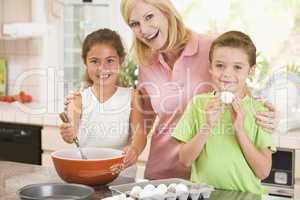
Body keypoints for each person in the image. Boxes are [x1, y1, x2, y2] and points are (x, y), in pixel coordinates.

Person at [63, 0, 278, 180]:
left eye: (149, 17)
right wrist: (86, 103)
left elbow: (239, 90)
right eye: (134, 24)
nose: (144, 30)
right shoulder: (146, 63)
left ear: (166, 12)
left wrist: (270, 116)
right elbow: (142, 120)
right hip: (161, 172)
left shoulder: (210, 49)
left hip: (206, 174)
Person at [172, 31, 275, 194]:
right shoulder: (198, 104)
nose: (227, 74)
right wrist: (207, 126)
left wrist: (240, 130)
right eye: (220, 65)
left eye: (238, 67)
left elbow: (263, 171)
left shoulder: (260, 111)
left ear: (251, 70)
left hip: (246, 196)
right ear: (210, 68)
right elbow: (184, 160)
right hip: (203, 194)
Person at [59, 28, 146, 178]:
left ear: (121, 60)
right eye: (94, 61)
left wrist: (134, 149)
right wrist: (67, 133)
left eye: (110, 60)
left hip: (122, 174)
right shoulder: (78, 99)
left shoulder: (132, 96)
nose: (102, 68)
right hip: (87, 175)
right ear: (85, 61)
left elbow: (140, 133)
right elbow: (71, 132)